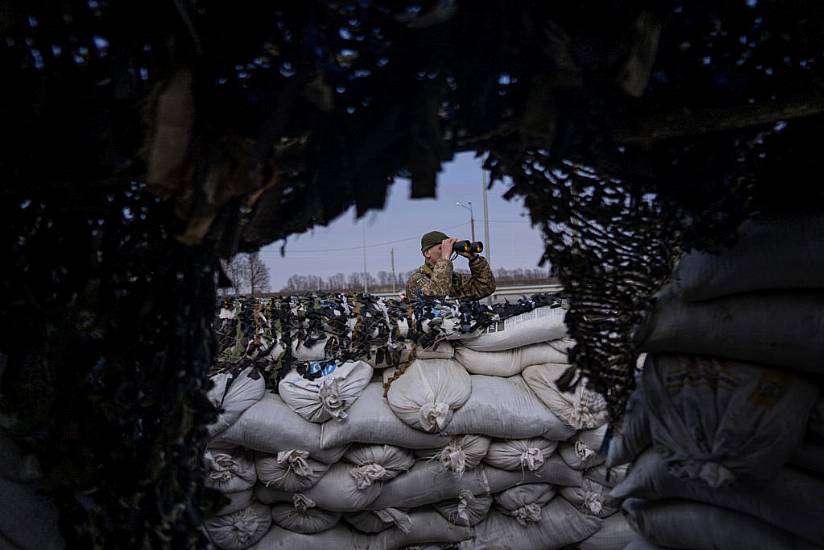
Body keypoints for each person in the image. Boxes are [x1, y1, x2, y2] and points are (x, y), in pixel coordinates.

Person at [406, 230, 496, 302]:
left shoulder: (454, 278)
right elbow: (437, 296)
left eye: (450, 249)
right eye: (442, 248)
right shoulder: (417, 280)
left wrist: (474, 259)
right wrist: (445, 259)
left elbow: (485, 287)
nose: (448, 251)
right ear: (427, 253)